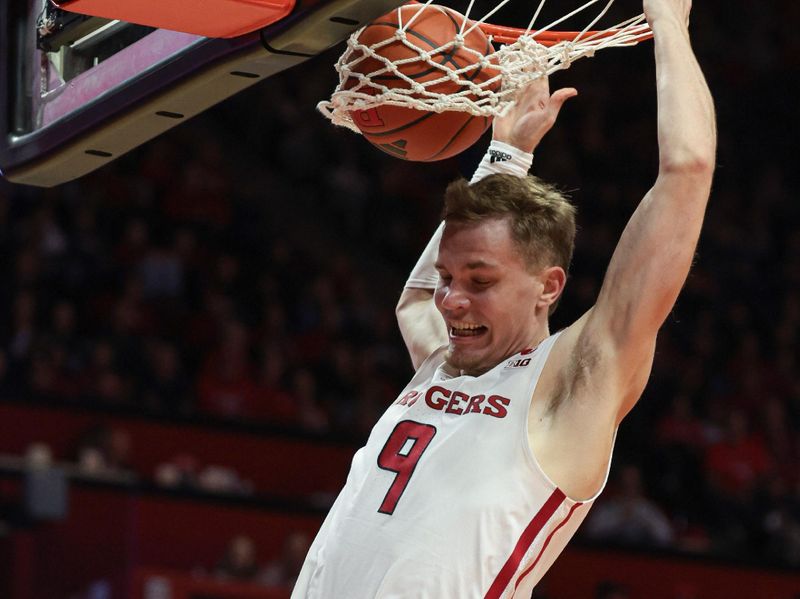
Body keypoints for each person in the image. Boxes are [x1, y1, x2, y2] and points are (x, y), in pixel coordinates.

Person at [292, 0, 716, 596]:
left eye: (480, 281)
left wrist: (670, 22)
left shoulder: (575, 384)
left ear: (548, 287)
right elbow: (413, 303)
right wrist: (507, 156)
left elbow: (687, 170)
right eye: (448, 277)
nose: (450, 300)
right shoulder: (444, 363)